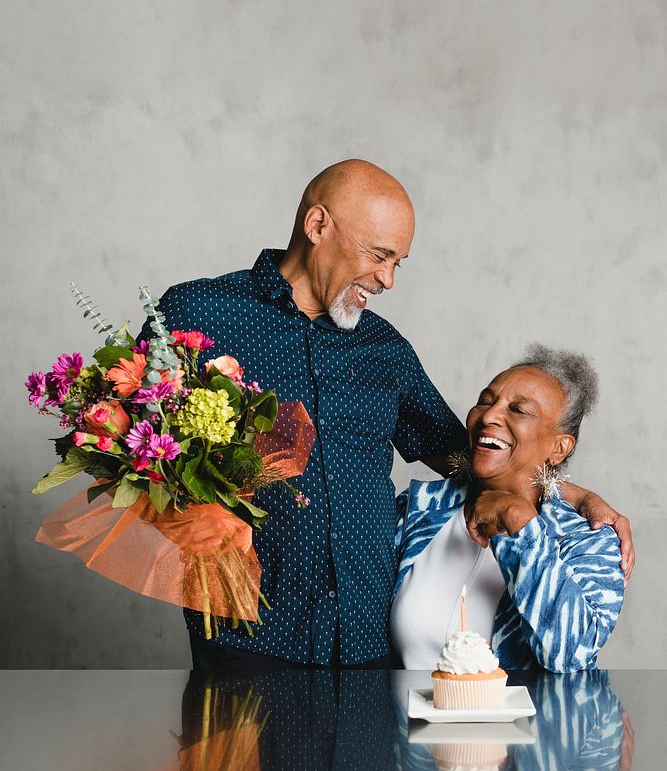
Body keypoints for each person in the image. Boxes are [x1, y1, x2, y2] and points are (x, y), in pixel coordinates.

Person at [143, 160, 632, 670]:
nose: (388, 279)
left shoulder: (386, 349)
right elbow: (138, 451)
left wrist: (573, 493)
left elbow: (466, 455)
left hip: (367, 643)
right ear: (317, 226)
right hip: (244, 635)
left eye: (399, 261)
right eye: (380, 256)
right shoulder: (196, 314)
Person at [391, 345, 624, 671]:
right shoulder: (417, 510)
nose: (488, 416)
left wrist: (520, 523)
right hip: (403, 720)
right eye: (486, 401)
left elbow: (572, 656)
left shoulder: (590, 541)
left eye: (518, 409)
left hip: (519, 724)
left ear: (559, 447)